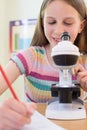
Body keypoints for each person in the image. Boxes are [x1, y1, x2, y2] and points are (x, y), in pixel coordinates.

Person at [0, 0, 87, 129]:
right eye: (51, 22)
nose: (59, 31)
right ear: (42, 22)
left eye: (68, 23)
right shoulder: (30, 57)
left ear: (81, 26)